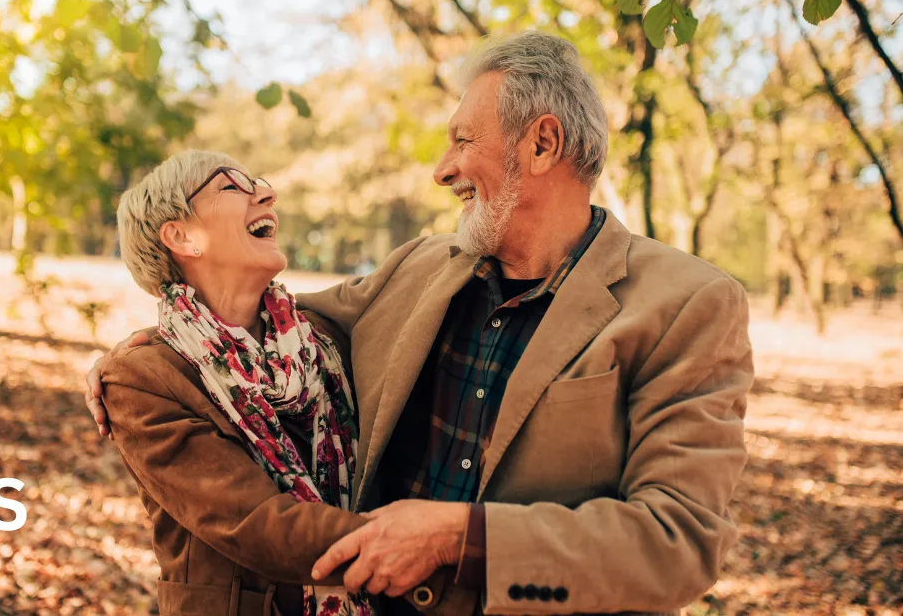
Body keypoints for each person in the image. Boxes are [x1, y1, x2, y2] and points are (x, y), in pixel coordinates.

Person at [86, 32, 754, 615]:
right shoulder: (422, 269)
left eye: (463, 141)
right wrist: (136, 355)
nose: (443, 170)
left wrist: (459, 535)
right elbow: (250, 327)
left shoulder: (688, 305)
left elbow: (680, 543)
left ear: (543, 143)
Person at [98, 149, 384, 616]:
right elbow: (255, 525)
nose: (267, 193)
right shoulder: (141, 379)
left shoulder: (325, 338)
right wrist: (413, 543)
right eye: (232, 187)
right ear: (182, 236)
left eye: (259, 182)